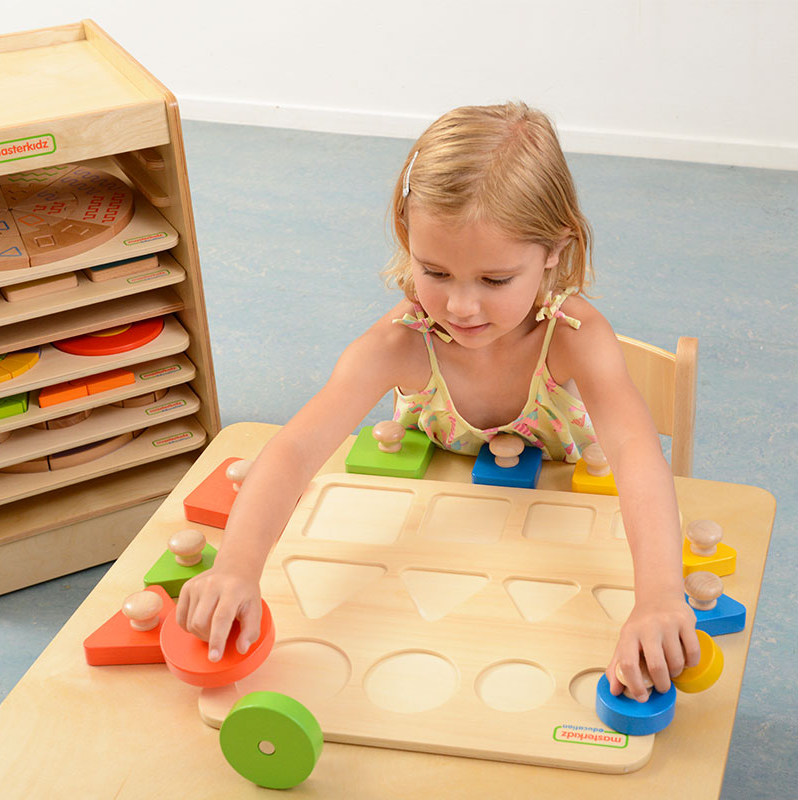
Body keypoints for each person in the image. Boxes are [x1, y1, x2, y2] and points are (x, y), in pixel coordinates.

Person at [176, 101, 699, 702]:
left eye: (495, 280)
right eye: (436, 272)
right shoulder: (400, 342)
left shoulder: (577, 338)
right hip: (436, 552)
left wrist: (660, 596)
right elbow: (294, 450)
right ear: (407, 235)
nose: (461, 307)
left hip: (550, 544)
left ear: (555, 250)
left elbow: (636, 455)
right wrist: (236, 567)